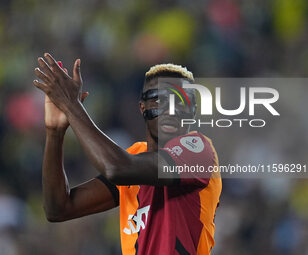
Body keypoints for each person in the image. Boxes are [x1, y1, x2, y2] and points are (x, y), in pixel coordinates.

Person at [33, 53, 222, 255]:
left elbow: (116, 168)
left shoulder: (198, 150)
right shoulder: (134, 157)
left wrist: (71, 105)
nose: (170, 110)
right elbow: (58, 209)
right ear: (143, 107)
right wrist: (55, 132)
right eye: (159, 100)